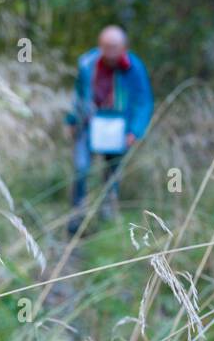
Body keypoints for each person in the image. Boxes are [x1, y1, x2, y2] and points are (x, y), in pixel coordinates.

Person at [65, 25, 153, 231]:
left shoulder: (134, 67)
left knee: (111, 173)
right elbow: (78, 95)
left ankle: (107, 216)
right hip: (88, 124)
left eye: (114, 47)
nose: (109, 51)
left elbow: (143, 101)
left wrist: (135, 130)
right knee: (81, 168)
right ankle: (77, 217)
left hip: (118, 127)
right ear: (100, 46)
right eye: (105, 46)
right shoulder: (87, 63)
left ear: (124, 47)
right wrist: (71, 120)